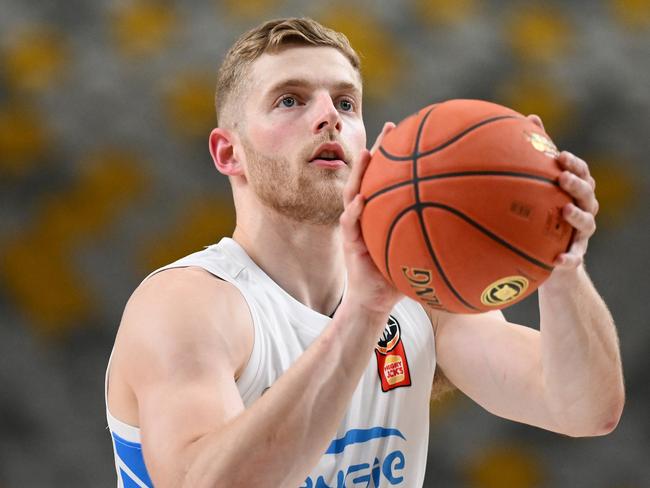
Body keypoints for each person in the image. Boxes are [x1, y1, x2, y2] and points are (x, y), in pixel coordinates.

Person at [105, 17, 625, 488]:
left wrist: (558, 259)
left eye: (346, 102)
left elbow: (583, 409)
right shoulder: (187, 305)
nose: (328, 116)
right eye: (291, 99)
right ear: (228, 152)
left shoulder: (421, 289)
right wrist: (363, 314)